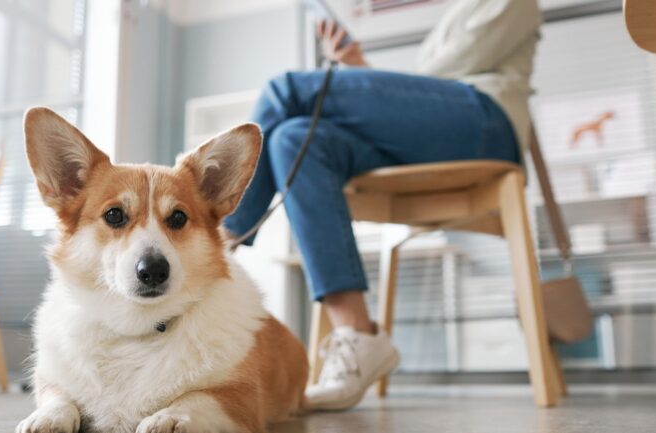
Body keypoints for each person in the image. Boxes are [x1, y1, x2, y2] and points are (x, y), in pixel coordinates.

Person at [224, 0, 542, 411]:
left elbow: (434, 82)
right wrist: (357, 67)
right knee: (293, 139)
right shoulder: (456, 13)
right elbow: (409, 106)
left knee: (283, 91)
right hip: (429, 139)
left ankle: (218, 245)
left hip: (485, 122)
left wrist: (364, 83)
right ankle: (358, 335)